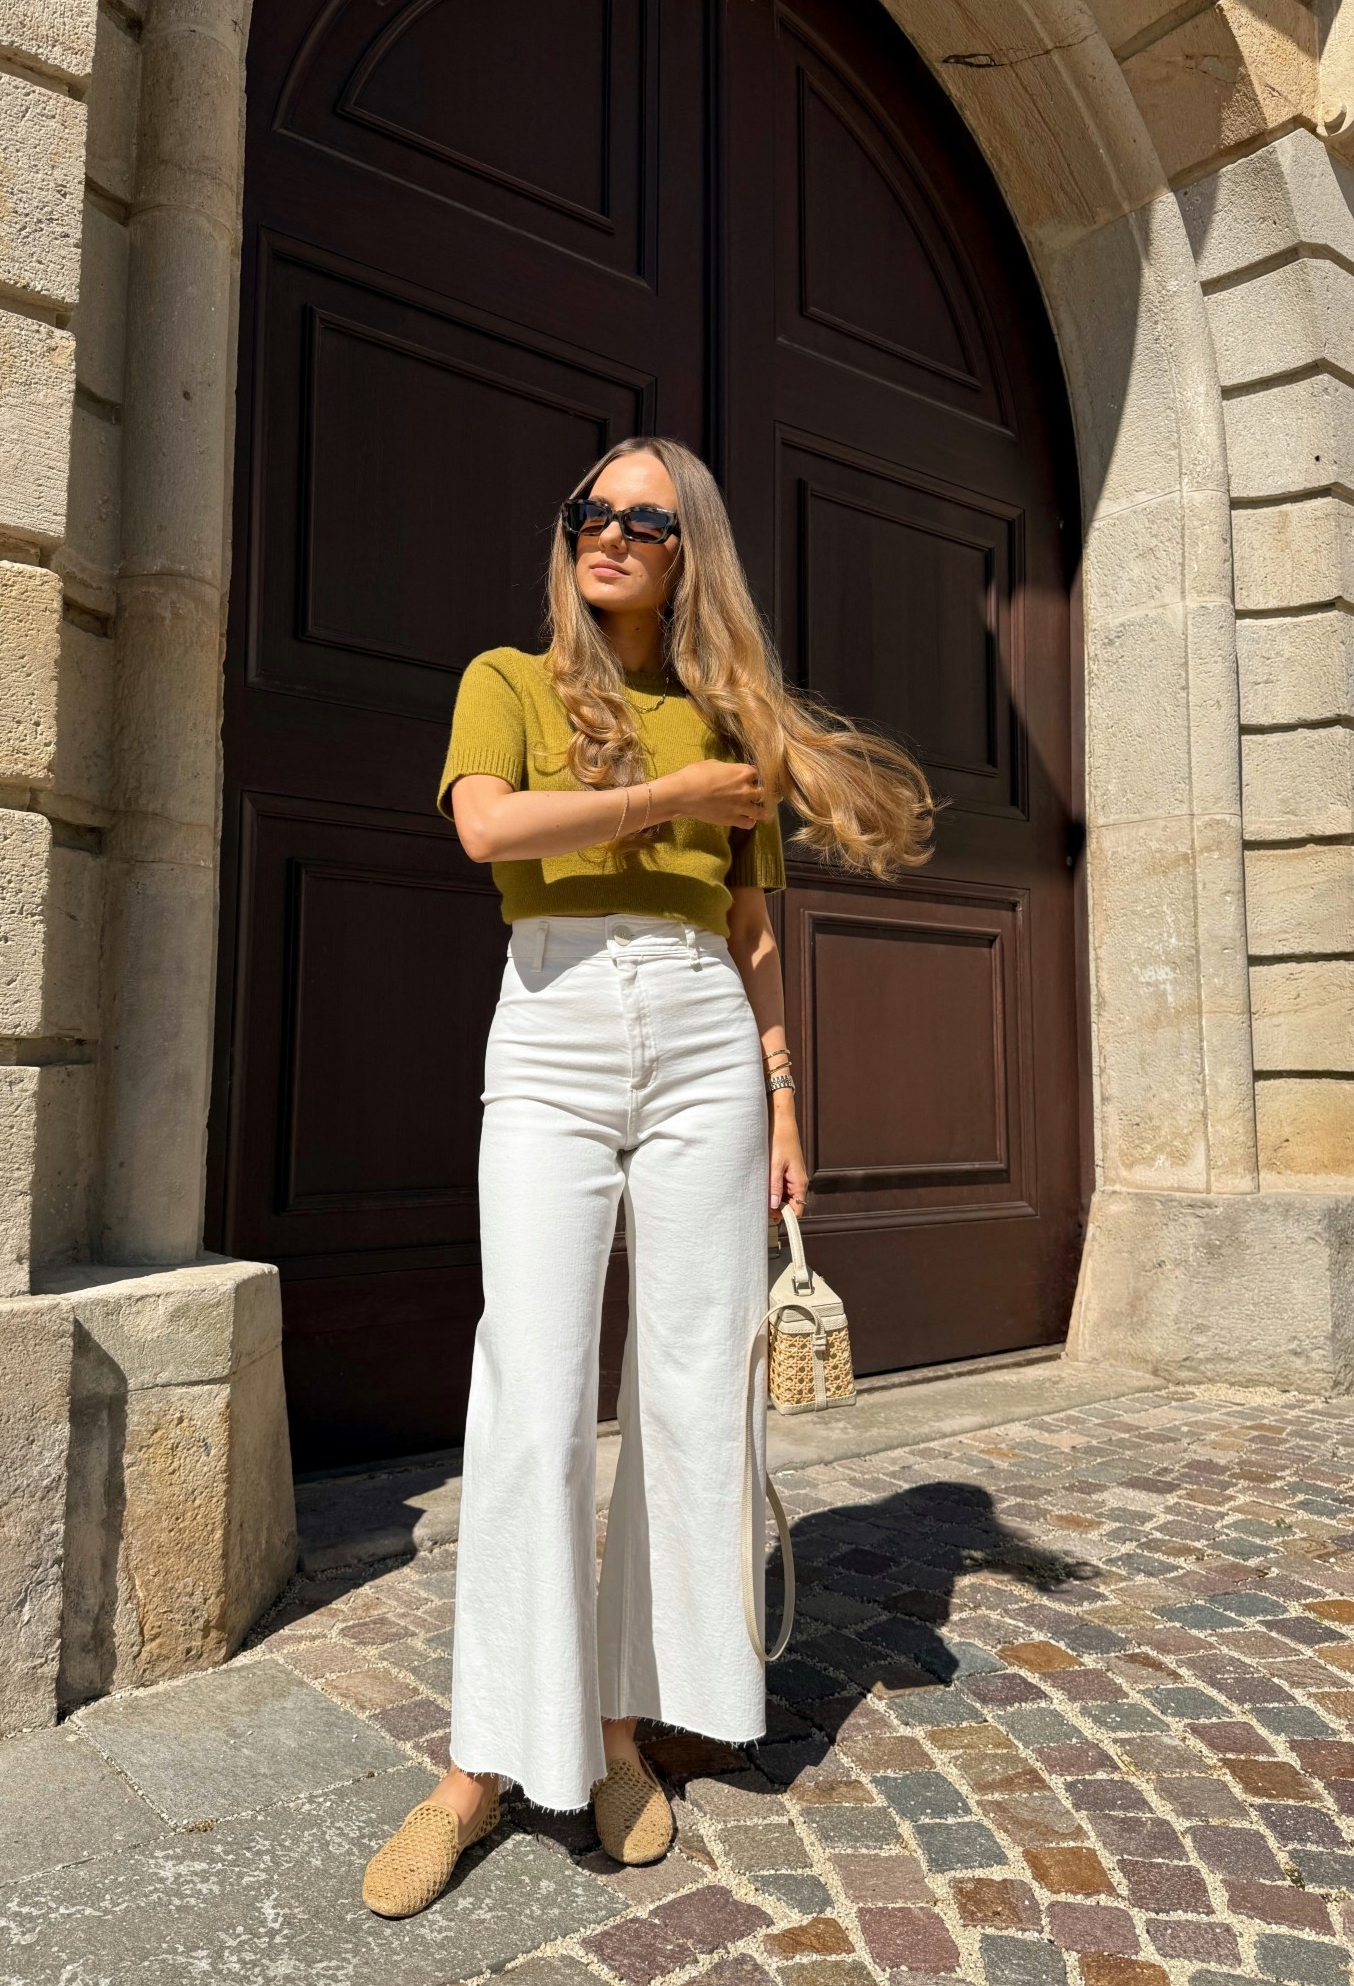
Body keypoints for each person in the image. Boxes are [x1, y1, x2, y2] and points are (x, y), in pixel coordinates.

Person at [362, 436, 932, 1918]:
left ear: (690, 555)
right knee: (534, 1390)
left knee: (692, 1384)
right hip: (553, 1018)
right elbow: (487, 826)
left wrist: (786, 1095)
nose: (607, 533)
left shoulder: (726, 721)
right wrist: (659, 802)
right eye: (589, 512)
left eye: (644, 519)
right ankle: (482, 1762)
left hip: (702, 1037)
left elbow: (753, 927)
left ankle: (621, 1728)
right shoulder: (510, 680)